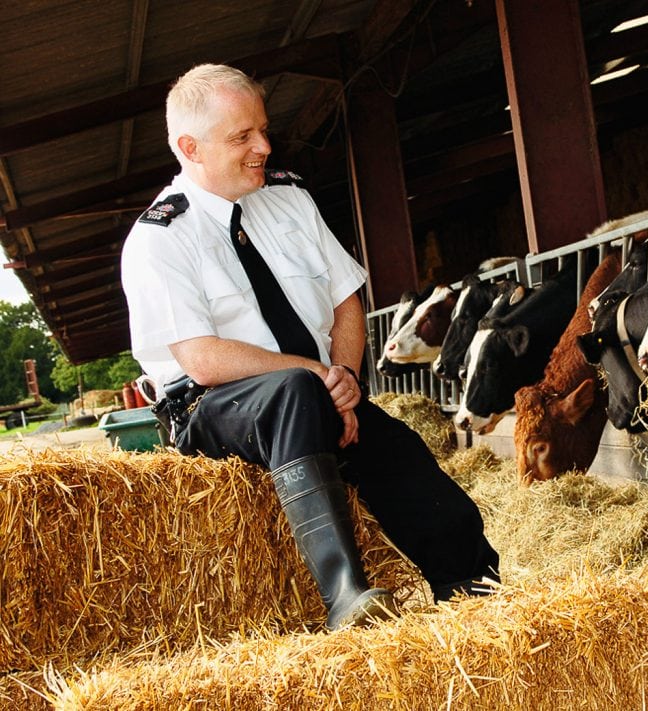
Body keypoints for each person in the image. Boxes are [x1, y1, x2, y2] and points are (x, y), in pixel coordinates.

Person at [121, 63, 499, 630]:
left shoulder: (289, 199)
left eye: (263, 130)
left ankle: (474, 593)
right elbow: (201, 358)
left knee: (407, 460)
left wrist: (344, 380)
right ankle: (345, 595)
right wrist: (318, 378)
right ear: (189, 147)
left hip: (320, 391)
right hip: (212, 407)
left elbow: (347, 298)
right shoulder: (159, 239)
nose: (263, 147)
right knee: (295, 389)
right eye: (241, 136)